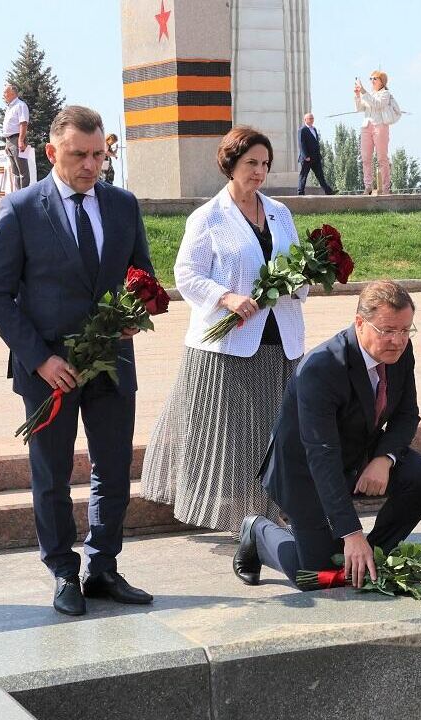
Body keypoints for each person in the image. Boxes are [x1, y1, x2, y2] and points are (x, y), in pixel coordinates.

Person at [0, 105, 155, 617]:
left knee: (114, 470)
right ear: (52, 151)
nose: (91, 165)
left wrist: (136, 309)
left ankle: (103, 566)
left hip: (112, 364)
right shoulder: (20, 208)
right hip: (48, 371)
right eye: (80, 155)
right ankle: (63, 571)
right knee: (52, 473)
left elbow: (141, 277)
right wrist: (38, 360)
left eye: (100, 154)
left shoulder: (123, 206)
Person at [141, 126, 307, 537]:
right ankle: (242, 521)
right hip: (228, 344)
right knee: (233, 437)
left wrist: (301, 281)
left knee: (275, 433)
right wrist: (226, 297)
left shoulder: (280, 213)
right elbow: (186, 274)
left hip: (279, 341)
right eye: (252, 163)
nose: (259, 171)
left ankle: (270, 513)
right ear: (230, 165)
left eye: (265, 164)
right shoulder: (208, 217)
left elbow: (297, 265)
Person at [233, 281, 421, 589]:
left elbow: (408, 415)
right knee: (315, 577)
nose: (397, 340)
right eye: (388, 330)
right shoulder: (321, 367)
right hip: (305, 471)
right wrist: (352, 533)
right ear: (360, 323)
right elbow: (321, 454)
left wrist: (384, 458)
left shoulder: (400, 352)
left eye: (406, 330)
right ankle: (258, 533)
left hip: (357, 453)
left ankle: (372, 557)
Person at [353, 70, 401, 195]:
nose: (372, 81)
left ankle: (386, 188)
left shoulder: (385, 94)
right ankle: (368, 186)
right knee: (365, 158)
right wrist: (358, 95)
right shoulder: (369, 94)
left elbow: (377, 104)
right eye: (371, 78)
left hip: (380, 126)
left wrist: (363, 92)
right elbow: (359, 108)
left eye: (375, 78)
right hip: (366, 127)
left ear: (382, 81)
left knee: (382, 158)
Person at [2, 83, 30, 191]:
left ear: (12, 93)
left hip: (17, 139)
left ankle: (24, 195)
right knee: (15, 171)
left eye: (5, 92)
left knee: (22, 170)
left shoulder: (20, 105)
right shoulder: (9, 107)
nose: (3, 94)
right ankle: (18, 194)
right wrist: (6, 143)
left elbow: (23, 123)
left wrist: (21, 141)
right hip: (9, 140)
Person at [296, 112, 333, 195]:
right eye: (310, 118)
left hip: (315, 157)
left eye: (312, 118)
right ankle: (300, 192)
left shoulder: (314, 129)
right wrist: (306, 156)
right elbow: (301, 144)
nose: (312, 120)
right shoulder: (302, 130)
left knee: (320, 175)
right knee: (304, 175)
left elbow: (316, 143)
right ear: (305, 120)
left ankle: (328, 191)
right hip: (307, 158)